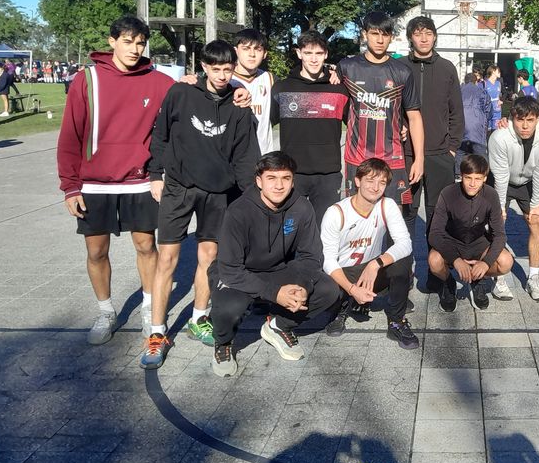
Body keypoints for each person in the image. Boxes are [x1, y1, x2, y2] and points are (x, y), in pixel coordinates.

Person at [141, 40, 261, 369]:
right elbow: (161, 135)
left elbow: (245, 155)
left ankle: (198, 317)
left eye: (228, 69)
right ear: (204, 67)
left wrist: (251, 196)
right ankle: (156, 332)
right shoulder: (181, 93)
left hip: (218, 193)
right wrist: (155, 174)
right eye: (216, 69)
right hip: (179, 187)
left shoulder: (239, 103)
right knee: (167, 258)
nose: (222, 75)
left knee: (209, 257)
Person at [56, 16, 175, 344]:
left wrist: (233, 92)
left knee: (146, 245)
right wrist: (70, 186)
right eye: (127, 41)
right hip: (94, 184)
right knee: (96, 251)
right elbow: (70, 135)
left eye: (140, 43)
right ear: (112, 42)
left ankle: (150, 309)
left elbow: (193, 94)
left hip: (139, 181)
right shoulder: (87, 80)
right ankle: (106, 312)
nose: (135, 49)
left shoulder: (159, 82)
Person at [210, 152, 341, 377]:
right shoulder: (238, 211)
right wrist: (275, 293)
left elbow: (311, 256)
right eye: (271, 178)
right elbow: (230, 269)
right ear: (259, 181)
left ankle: (279, 326)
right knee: (229, 307)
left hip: (277, 269)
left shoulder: (301, 207)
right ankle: (223, 343)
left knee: (328, 290)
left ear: (293, 181)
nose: (279, 186)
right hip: (239, 273)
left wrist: (303, 285)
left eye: (285, 178)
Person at [320, 157, 418, 349]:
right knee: (326, 287)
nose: (375, 187)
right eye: (370, 180)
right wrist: (352, 289)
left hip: (370, 271)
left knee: (402, 261)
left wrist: (376, 264)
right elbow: (328, 261)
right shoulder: (336, 212)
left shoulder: (387, 204)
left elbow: (405, 243)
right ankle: (342, 308)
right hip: (343, 274)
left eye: (382, 182)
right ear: (357, 181)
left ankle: (396, 321)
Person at [338, 12, 424, 205]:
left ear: (391, 37)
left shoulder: (402, 72)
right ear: (364, 34)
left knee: (392, 215)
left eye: (385, 35)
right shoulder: (346, 67)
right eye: (374, 34)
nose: (379, 40)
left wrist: (419, 159)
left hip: (392, 157)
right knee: (357, 215)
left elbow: (414, 117)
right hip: (357, 157)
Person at [270, 31, 349, 225]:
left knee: (324, 231)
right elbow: (261, 126)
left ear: (326, 54)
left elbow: (357, 124)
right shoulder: (282, 88)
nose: (313, 59)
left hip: (328, 174)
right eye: (308, 53)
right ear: (299, 53)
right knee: (288, 230)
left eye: (319, 53)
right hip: (291, 172)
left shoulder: (339, 90)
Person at [488, 96, 539, 301]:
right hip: (501, 180)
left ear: (538, 118)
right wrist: (500, 207)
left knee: (537, 221)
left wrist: (536, 204)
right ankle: (499, 276)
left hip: (529, 181)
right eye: (520, 120)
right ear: (512, 118)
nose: (525, 126)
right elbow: (500, 176)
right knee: (496, 224)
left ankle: (533, 277)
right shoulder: (499, 137)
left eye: (530, 120)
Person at [400, 16, 463, 244]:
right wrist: (399, 125)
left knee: (439, 217)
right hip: (406, 154)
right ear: (410, 38)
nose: (424, 39)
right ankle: (404, 265)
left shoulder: (447, 68)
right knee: (405, 213)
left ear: (435, 37)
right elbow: (391, 107)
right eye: (418, 34)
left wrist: (452, 149)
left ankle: (437, 266)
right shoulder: (399, 67)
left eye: (428, 33)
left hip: (440, 154)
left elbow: (457, 112)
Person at [427, 154, 512, 311]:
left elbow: (500, 235)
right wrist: (456, 260)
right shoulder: (448, 193)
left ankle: (477, 279)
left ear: (485, 178)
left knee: (506, 261)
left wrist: (486, 263)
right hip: (452, 242)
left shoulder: (491, 195)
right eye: (468, 178)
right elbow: (434, 234)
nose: (472, 184)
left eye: (478, 179)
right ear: (461, 176)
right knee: (434, 261)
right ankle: (448, 283)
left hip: (478, 242)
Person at [229, 29, 276, 154]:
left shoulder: (270, 79)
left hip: (264, 155)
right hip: (233, 156)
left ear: (264, 54)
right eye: (246, 49)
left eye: (258, 49)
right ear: (235, 51)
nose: (252, 54)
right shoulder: (224, 79)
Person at [457, 71, 492, 173]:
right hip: (477, 127)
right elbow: (489, 110)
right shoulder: (482, 91)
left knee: (459, 153)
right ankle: (483, 174)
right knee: (480, 155)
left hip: (460, 127)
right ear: (476, 81)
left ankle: (458, 175)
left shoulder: (458, 91)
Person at [480, 64, 504, 132]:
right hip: (487, 111)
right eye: (498, 71)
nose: (500, 72)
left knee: (495, 131)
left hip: (497, 111)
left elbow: (499, 95)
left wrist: (500, 101)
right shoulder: (484, 83)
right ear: (493, 72)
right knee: (487, 132)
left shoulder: (498, 83)